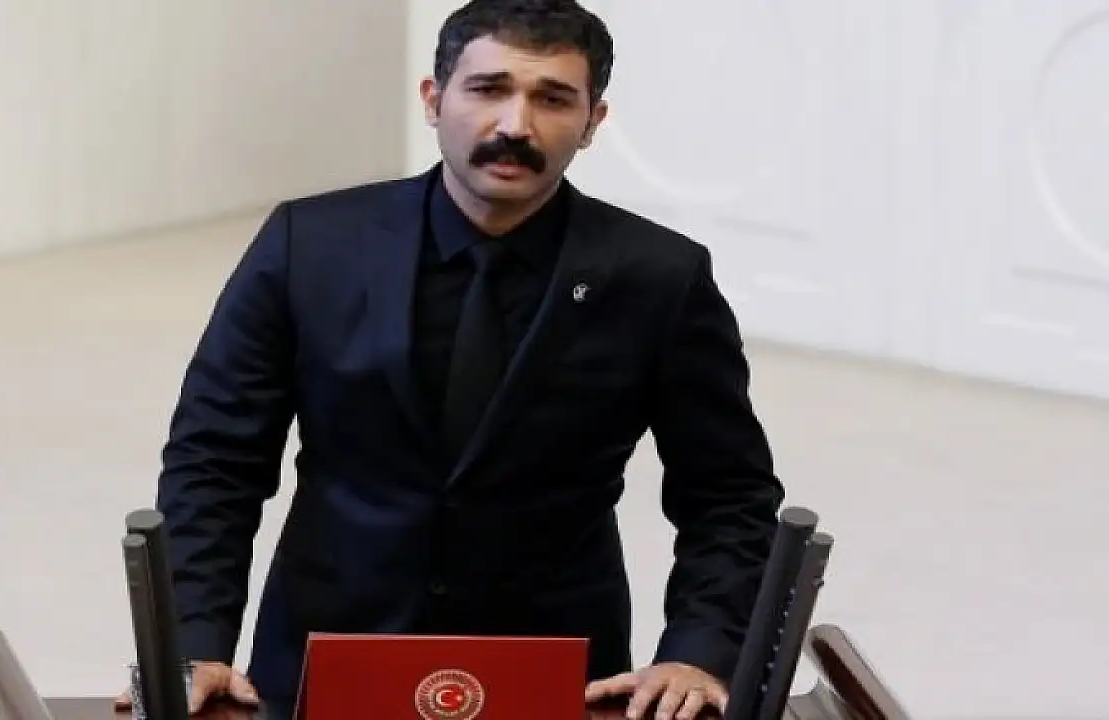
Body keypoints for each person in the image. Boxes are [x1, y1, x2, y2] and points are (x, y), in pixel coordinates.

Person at [121, 1, 785, 718]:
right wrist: (192, 641)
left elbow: (729, 494)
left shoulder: (660, 276)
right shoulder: (307, 245)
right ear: (433, 101)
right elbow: (215, 460)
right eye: (487, 89)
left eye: (553, 99)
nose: (515, 125)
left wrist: (700, 650)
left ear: (593, 122)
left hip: (556, 669)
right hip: (324, 657)